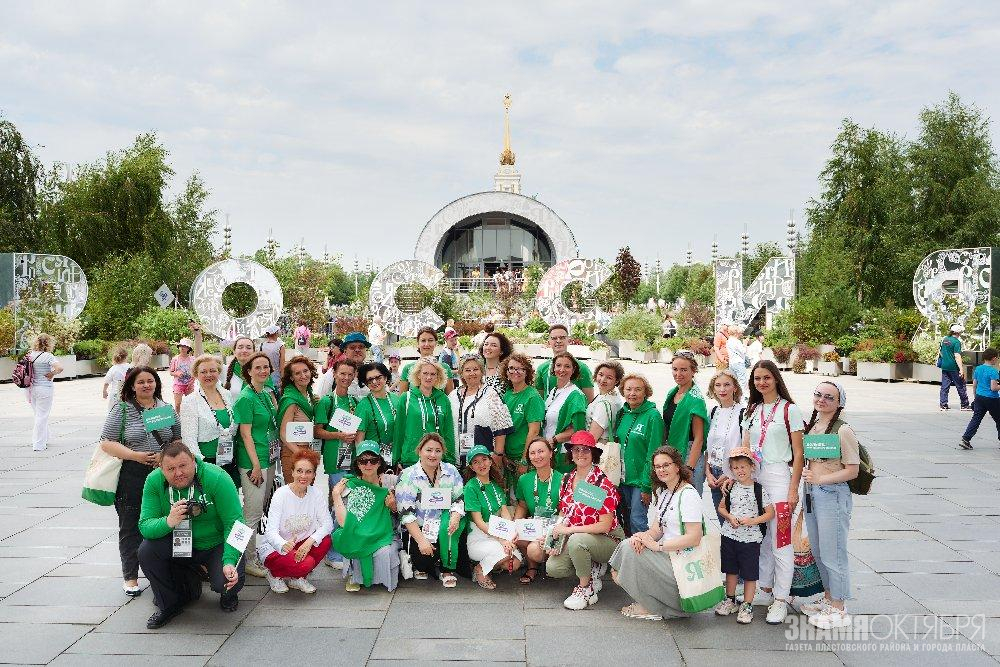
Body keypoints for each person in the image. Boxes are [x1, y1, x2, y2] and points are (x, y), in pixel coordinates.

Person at [137, 441, 244, 629]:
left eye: (183, 465)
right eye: (170, 469)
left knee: (226, 580)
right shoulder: (154, 481)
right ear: (161, 468)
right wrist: (168, 521)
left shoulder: (217, 477)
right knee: (147, 550)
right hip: (180, 543)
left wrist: (229, 560)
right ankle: (169, 604)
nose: (178, 473)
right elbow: (145, 526)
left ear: (193, 460)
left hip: (215, 543)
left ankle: (228, 593)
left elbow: (236, 525)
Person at [99, 367, 181, 597]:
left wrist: (165, 455)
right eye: (141, 382)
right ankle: (131, 576)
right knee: (130, 525)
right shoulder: (122, 409)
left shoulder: (165, 409)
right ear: (132, 386)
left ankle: (165, 572)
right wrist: (136, 455)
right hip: (132, 473)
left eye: (150, 381)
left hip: (162, 473)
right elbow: (106, 442)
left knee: (167, 521)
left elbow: (176, 438)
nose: (146, 385)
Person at [741, 359, 805, 624]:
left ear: (776, 379)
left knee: (781, 540)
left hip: (779, 478)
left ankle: (781, 598)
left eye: (766, 377)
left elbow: (799, 453)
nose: (762, 382)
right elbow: (745, 448)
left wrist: (793, 490)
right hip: (756, 478)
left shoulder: (790, 410)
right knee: (762, 538)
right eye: (757, 378)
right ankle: (766, 589)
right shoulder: (752, 410)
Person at [609, 446, 704, 622]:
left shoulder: (689, 494)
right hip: (668, 557)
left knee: (629, 551)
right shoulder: (664, 492)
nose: (661, 470)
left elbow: (694, 537)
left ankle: (653, 606)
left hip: (683, 564)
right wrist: (642, 537)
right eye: (657, 466)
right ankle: (650, 601)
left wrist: (657, 546)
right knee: (630, 544)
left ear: (677, 466)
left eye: (666, 465)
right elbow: (656, 530)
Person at [800, 381, 860, 629]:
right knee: (819, 550)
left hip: (832, 495)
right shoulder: (815, 426)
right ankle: (828, 598)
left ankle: (839, 608)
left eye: (829, 397)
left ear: (839, 403)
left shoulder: (843, 430)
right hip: (813, 494)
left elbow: (853, 471)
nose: (821, 400)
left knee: (834, 553)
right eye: (818, 394)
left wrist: (821, 479)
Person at [546, 431, 623, 610]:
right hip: (579, 536)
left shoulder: (601, 483)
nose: (580, 454)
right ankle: (592, 567)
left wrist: (570, 531)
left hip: (609, 538)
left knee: (577, 540)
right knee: (554, 568)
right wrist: (553, 537)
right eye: (576, 450)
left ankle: (585, 587)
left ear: (593, 454)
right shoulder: (566, 480)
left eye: (585, 450)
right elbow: (564, 514)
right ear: (570, 454)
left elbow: (605, 524)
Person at [395, 433, 468, 587]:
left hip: (445, 524)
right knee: (423, 561)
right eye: (428, 450)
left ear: (443, 452)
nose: (433, 455)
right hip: (419, 527)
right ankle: (420, 561)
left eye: (437, 450)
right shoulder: (408, 476)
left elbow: (459, 498)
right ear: (419, 451)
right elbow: (406, 513)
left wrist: (455, 517)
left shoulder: (451, 471)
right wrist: (421, 541)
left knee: (451, 535)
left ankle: (446, 569)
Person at [232, 352, 281, 578]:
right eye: (258, 367)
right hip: (254, 462)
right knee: (250, 513)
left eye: (266, 367)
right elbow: (245, 435)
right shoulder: (245, 397)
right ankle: (244, 558)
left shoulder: (265, 394)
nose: (263, 371)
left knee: (258, 510)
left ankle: (248, 553)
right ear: (248, 371)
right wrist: (256, 465)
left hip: (268, 459)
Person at [714, 447, 774, 624]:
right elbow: (721, 508)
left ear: (752, 467)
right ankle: (730, 599)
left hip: (750, 539)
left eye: (743, 467)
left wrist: (753, 521)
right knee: (730, 570)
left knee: (749, 573)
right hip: (729, 536)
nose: (740, 471)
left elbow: (770, 513)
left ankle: (747, 604)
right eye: (735, 468)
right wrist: (729, 516)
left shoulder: (758, 490)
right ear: (731, 470)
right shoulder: (731, 487)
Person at [259, 448, 332, 594]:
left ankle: (297, 578)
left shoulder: (316, 494)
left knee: (326, 540)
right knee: (307, 563)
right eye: (299, 471)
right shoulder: (281, 494)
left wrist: (309, 541)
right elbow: (270, 532)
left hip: (300, 543)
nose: (303, 476)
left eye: (308, 471)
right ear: (292, 472)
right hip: (276, 547)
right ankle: (274, 575)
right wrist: (284, 545)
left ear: (314, 474)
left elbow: (328, 524)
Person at [332, 441, 400, 592]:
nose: (368, 464)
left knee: (385, 551)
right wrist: (336, 495)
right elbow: (343, 522)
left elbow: (404, 511)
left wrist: (393, 506)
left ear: (379, 462)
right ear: (357, 463)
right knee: (353, 540)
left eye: (373, 460)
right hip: (356, 531)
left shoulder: (391, 481)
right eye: (363, 460)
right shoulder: (348, 485)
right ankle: (355, 576)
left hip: (384, 532)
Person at [313, 358, 359, 568]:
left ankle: (342, 548)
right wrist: (339, 435)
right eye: (342, 374)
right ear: (334, 374)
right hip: (335, 460)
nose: (346, 378)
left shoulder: (353, 401)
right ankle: (331, 554)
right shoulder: (326, 401)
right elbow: (318, 430)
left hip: (352, 459)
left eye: (350, 374)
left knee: (347, 504)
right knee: (338, 505)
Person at [463, 445, 522, 589]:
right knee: (505, 552)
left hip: (498, 533)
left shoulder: (496, 485)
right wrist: (502, 540)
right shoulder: (470, 487)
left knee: (515, 563)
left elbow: (504, 511)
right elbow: (479, 522)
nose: (481, 464)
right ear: (471, 467)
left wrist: (510, 534)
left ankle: (489, 564)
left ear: (490, 461)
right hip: (479, 537)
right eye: (475, 462)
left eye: (484, 459)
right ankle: (480, 570)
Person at [613, 374, 664, 536]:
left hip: (640, 482)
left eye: (637, 389)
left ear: (645, 392)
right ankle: (629, 556)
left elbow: (654, 453)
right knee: (625, 519)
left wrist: (647, 485)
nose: (632, 393)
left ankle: (645, 554)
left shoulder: (653, 416)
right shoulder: (623, 414)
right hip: (621, 479)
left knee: (637, 520)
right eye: (628, 389)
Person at [179, 355, 240, 488]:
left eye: (212, 371)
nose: (208, 375)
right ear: (196, 375)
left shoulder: (227, 395)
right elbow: (189, 439)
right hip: (207, 463)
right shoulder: (190, 401)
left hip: (229, 458)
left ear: (219, 372)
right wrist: (201, 466)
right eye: (203, 372)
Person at [513, 437, 563, 584]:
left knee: (534, 551)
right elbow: (522, 505)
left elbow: (564, 512)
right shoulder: (524, 480)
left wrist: (552, 533)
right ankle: (532, 567)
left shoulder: (563, 479)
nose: (537, 456)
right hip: (535, 526)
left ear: (551, 453)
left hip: (555, 529)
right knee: (516, 537)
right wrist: (516, 525)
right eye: (533, 453)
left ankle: (550, 561)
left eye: (541, 451)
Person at [450, 354, 514, 467]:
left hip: (482, 460)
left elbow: (501, 428)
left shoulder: (491, 394)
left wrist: (498, 455)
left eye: (476, 369)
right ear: (461, 373)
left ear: (482, 372)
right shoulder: (453, 395)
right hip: (455, 458)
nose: (472, 373)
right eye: (467, 370)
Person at [393, 358, 456, 467]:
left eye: (433, 374)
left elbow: (448, 432)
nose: (428, 377)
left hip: (436, 459)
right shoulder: (406, 398)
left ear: (437, 377)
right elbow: (399, 430)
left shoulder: (443, 399)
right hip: (411, 459)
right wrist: (396, 458)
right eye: (425, 373)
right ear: (418, 375)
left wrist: (450, 460)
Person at [662, 352, 709, 494]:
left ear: (693, 371)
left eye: (683, 370)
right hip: (672, 453)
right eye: (675, 369)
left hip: (690, 456)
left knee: (689, 505)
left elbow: (699, 438)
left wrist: (689, 469)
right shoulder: (672, 393)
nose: (678, 374)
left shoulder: (695, 399)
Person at [705, 369, 746, 524]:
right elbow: (709, 447)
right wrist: (708, 473)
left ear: (735, 388)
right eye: (718, 385)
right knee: (723, 522)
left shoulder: (743, 412)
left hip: (732, 475)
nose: (722, 389)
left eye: (727, 385)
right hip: (714, 474)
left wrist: (731, 474)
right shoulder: (713, 412)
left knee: (735, 521)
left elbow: (745, 448)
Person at [501, 353, 546, 484]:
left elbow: (534, 431)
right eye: (512, 368)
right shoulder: (508, 394)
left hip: (525, 458)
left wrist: (525, 460)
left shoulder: (532, 397)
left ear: (527, 372)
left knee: (525, 499)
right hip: (509, 458)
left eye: (521, 369)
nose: (516, 372)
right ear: (507, 372)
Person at [543, 352, 589, 472]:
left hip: (564, 455)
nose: (562, 369)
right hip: (548, 452)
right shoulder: (554, 391)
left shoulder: (576, 395)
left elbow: (577, 429)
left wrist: (553, 440)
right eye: (558, 365)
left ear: (573, 370)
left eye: (567, 366)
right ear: (553, 368)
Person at [277, 355, 318, 483]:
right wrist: (302, 455)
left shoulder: (309, 395)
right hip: (293, 453)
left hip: (307, 450)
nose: (303, 375)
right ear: (291, 377)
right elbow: (283, 434)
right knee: (295, 495)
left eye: (305, 371)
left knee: (307, 495)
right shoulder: (291, 400)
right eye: (297, 373)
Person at [355, 362, 402, 465]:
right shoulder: (363, 405)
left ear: (385, 377)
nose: (375, 382)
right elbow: (359, 441)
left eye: (378, 377)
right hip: (372, 462)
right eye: (370, 380)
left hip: (396, 459)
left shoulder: (396, 399)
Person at [535, 325, 595, 402]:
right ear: (549, 341)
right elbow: (539, 399)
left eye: (562, 338)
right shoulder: (542, 368)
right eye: (554, 338)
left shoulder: (582, 368)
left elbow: (589, 401)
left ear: (568, 340)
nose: (558, 341)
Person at [24, 333, 62, 452]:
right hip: (44, 389)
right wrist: (52, 374)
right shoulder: (48, 356)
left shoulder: (29, 355)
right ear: (48, 343)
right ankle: (38, 444)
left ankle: (45, 437)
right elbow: (60, 368)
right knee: (42, 416)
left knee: (38, 415)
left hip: (29, 389)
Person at [961, 348, 1000, 449]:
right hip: (992, 399)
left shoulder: (978, 369)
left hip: (979, 397)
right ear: (994, 358)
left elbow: (974, 385)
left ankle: (966, 439)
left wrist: (976, 397)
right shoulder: (993, 371)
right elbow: (994, 388)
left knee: (976, 418)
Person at [400, 327, 454, 394]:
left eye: (430, 340)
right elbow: (402, 400)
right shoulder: (408, 368)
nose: (426, 344)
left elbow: (450, 398)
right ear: (418, 343)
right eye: (423, 340)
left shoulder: (445, 368)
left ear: (436, 343)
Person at [587, 361, 625, 444]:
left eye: (609, 377)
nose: (603, 380)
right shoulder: (612, 396)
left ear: (616, 381)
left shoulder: (605, 404)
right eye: (600, 374)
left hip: (597, 450)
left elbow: (592, 438)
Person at [939, 324, 972, 411]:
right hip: (953, 367)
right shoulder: (956, 342)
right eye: (960, 332)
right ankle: (964, 405)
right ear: (957, 332)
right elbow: (957, 356)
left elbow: (941, 353)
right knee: (961, 385)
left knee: (944, 386)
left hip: (945, 366)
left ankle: (943, 404)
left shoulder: (945, 339)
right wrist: (961, 369)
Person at [342, 332, 373, 399]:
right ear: (345, 352)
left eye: (361, 347)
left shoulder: (374, 374)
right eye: (352, 347)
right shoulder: (334, 373)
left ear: (366, 350)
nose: (357, 350)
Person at [480, 331, 513, 395]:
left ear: (501, 351)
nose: (488, 348)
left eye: (494, 345)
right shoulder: (477, 369)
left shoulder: (507, 372)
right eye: (486, 344)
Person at [169, 338, 196, 413]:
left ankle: (191, 419)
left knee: (191, 404)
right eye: (181, 346)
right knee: (178, 404)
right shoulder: (175, 359)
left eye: (185, 346)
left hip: (189, 385)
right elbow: (171, 372)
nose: (182, 348)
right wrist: (176, 373)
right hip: (178, 385)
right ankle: (178, 419)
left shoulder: (192, 359)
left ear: (188, 348)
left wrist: (192, 381)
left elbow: (195, 372)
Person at [103, 345, 130, 412]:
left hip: (116, 393)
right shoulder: (130, 367)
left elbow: (107, 382)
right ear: (126, 357)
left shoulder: (113, 368)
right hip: (129, 393)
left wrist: (104, 391)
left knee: (113, 411)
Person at [260, 325, 287, 390]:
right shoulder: (280, 346)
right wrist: (282, 379)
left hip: (264, 376)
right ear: (276, 333)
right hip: (276, 377)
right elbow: (282, 366)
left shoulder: (262, 345)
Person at [726, 325, 750, 392]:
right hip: (739, 363)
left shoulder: (728, 341)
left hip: (732, 363)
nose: (741, 334)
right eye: (740, 333)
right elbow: (743, 351)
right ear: (736, 333)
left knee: (734, 381)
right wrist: (745, 344)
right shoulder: (737, 341)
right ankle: (742, 396)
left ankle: (735, 395)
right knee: (742, 381)